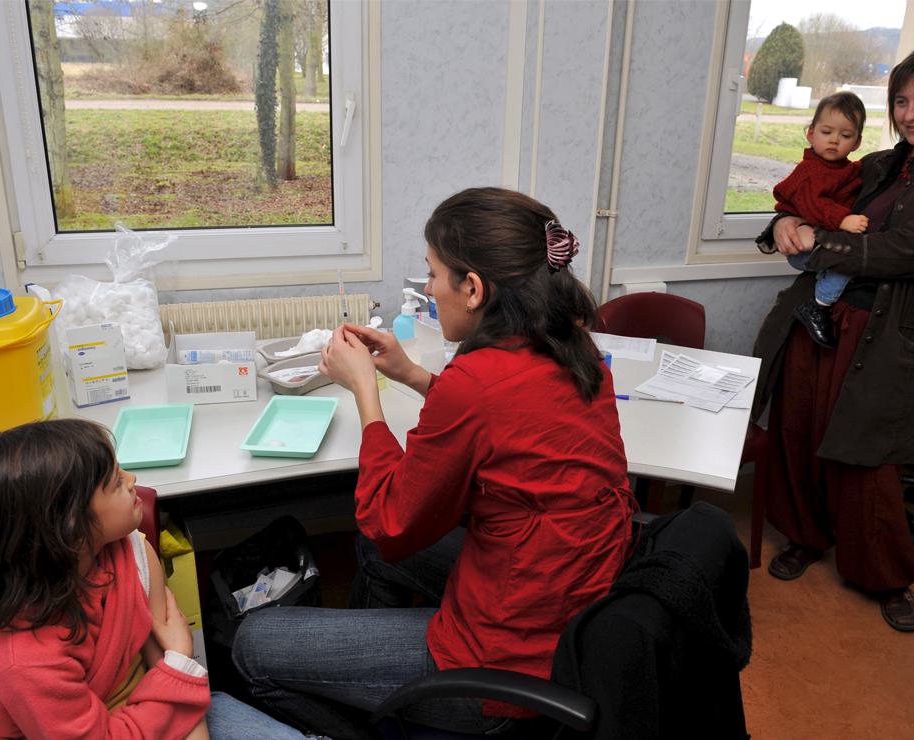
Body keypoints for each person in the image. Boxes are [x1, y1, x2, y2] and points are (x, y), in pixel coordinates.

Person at [233, 187, 635, 736]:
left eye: (433, 274)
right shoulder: (575, 350)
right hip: (571, 614)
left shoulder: (476, 382)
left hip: (504, 666)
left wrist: (365, 393)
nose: (427, 289)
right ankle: (375, 686)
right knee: (373, 553)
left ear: (472, 288)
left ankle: (384, 713)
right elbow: (503, 420)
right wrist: (410, 373)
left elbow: (390, 520)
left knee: (253, 645)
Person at [751, 42, 914, 633]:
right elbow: (814, 192)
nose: (910, 113)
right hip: (819, 321)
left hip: (888, 334)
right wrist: (784, 222)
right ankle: (806, 537)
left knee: (865, 460)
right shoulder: (883, 164)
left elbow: (910, 252)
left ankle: (884, 574)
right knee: (798, 429)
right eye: (900, 101)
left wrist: (819, 240)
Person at [0, 418, 304, 739]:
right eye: (116, 482)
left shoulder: (128, 552)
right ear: (70, 527)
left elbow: (171, 675)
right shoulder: (22, 664)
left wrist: (178, 675)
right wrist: (179, 662)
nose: (132, 480)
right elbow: (171, 668)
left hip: (153, 703)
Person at [766, 91, 870, 348]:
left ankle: (822, 300)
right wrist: (844, 219)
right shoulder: (811, 170)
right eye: (826, 132)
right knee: (843, 263)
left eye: (845, 136)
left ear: (857, 142)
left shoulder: (845, 168)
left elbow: (849, 181)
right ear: (811, 134)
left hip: (817, 237)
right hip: (802, 246)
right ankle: (819, 306)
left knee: (845, 261)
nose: (835, 140)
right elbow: (813, 204)